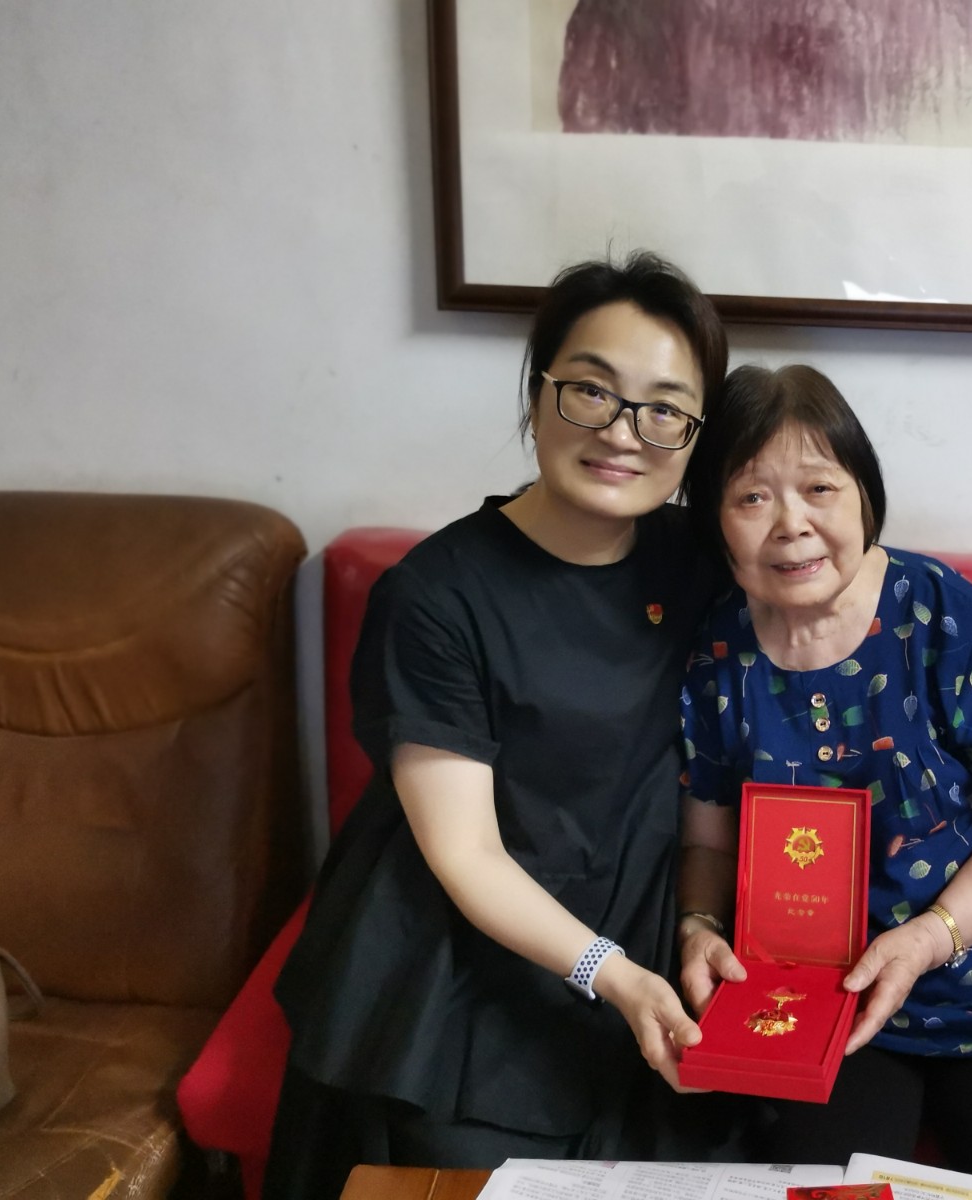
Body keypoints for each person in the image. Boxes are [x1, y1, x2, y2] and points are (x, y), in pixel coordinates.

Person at [263, 252, 731, 1200]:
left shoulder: (698, 556)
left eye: (665, 410)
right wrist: (614, 975)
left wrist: (696, 924)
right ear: (537, 393)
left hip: (646, 933)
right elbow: (465, 855)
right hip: (470, 962)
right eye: (591, 392)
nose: (623, 433)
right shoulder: (437, 596)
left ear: (695, 437)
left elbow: (840, 567)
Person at [676, 365, 972, 1196]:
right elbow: (707, 841)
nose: (792, 524)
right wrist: (697, 927)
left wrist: (928, 939)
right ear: (715, 523)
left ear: (864, 496)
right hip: (817, 1001)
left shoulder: (946, 616)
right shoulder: (717, 649)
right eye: (752, 497)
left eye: (819, 488)